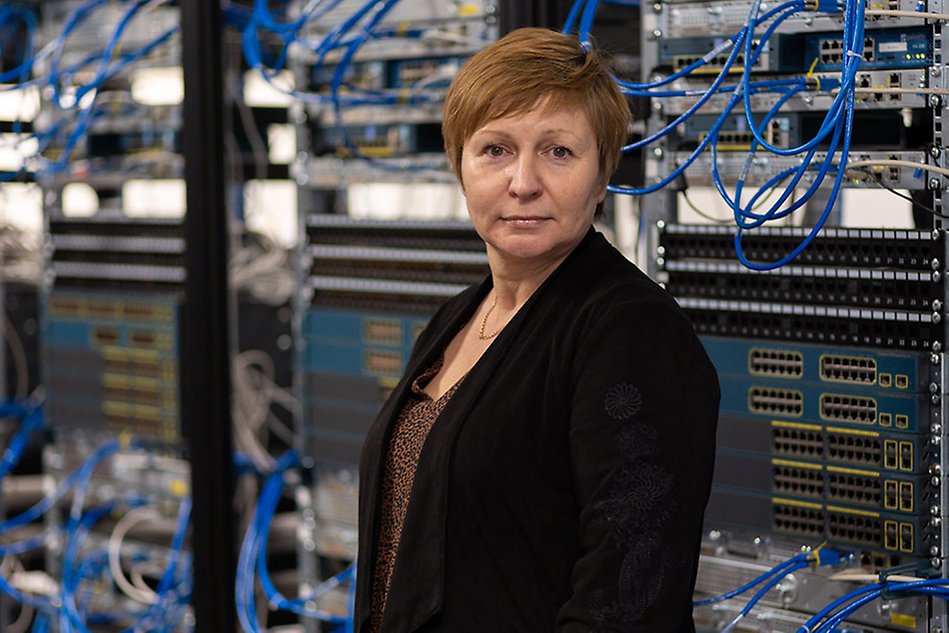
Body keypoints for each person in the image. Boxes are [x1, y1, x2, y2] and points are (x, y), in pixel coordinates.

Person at [355, 27, 720, 632]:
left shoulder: (630, 333)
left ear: (602, 177)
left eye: (558, 152)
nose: (523, 182)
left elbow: (627, 600)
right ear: (460, 168)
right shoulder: (455, 319)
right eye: (495, 150)